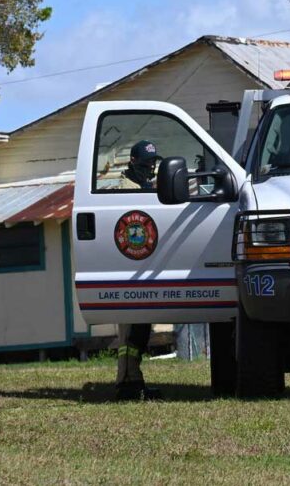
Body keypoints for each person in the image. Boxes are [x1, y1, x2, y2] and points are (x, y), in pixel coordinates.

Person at [113, 140, 162, 400]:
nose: (151, 169)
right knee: (130, 335)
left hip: (144, 268)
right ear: (133, 163)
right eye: (146, 164)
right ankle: (126, 383)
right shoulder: (125, 190)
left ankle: (135, 380)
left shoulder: (147, 187)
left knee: (141, 332)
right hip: (128, 271)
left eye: (153, 164)